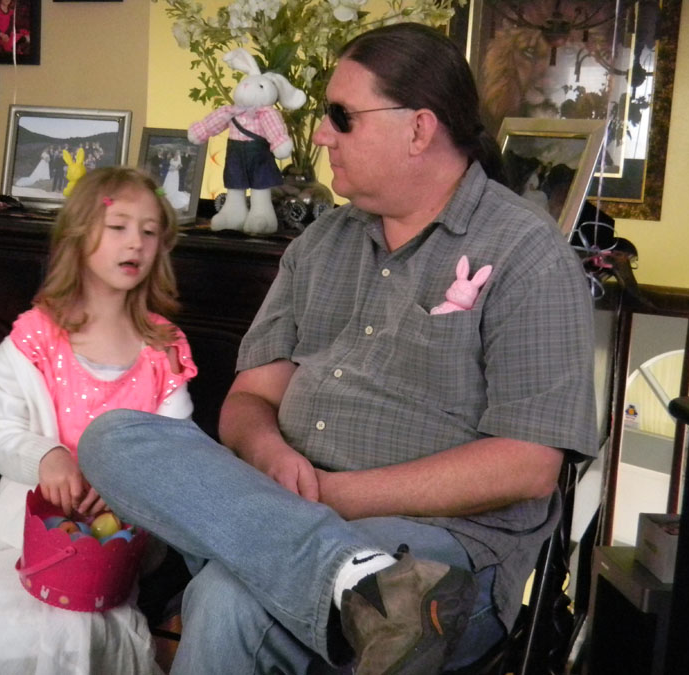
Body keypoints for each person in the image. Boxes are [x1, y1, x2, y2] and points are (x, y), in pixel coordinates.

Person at [77, 22, 598, 675]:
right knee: (111, 438)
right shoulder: (321, 243)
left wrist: (337, 496)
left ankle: (365, 585)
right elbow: (250, 398)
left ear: (419, 129)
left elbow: (527, 466)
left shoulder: (527, 253)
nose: (321, 134)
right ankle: (355, 584)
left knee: (227, 596)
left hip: (443, 552)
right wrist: (269, 455)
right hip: (288, 504)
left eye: (342, 116)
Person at [0, 167, 197, 674]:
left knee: (70, 637)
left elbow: (179, 449)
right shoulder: (36, 339)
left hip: (112, 546)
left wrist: (127, 487)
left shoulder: (162, 350)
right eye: (119, 226)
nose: (136, 242)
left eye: (150, 232)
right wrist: (47, 456)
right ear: (79, 237)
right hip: (18, 534)